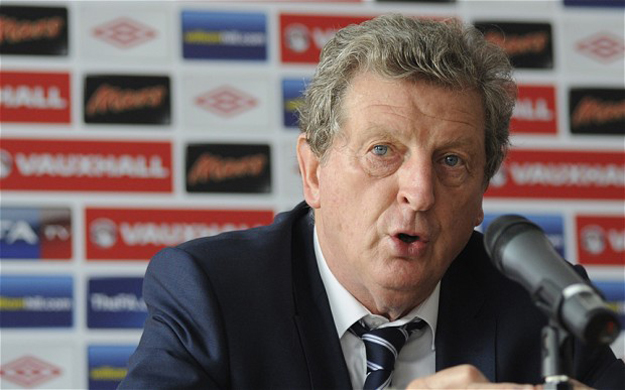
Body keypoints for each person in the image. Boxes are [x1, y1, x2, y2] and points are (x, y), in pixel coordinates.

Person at [119, 14, 624, 390]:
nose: (420, 192)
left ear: (480, 199)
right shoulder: (214, 293)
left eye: (451, 161)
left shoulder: (539, 304)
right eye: (383, 151)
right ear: (314, 174)